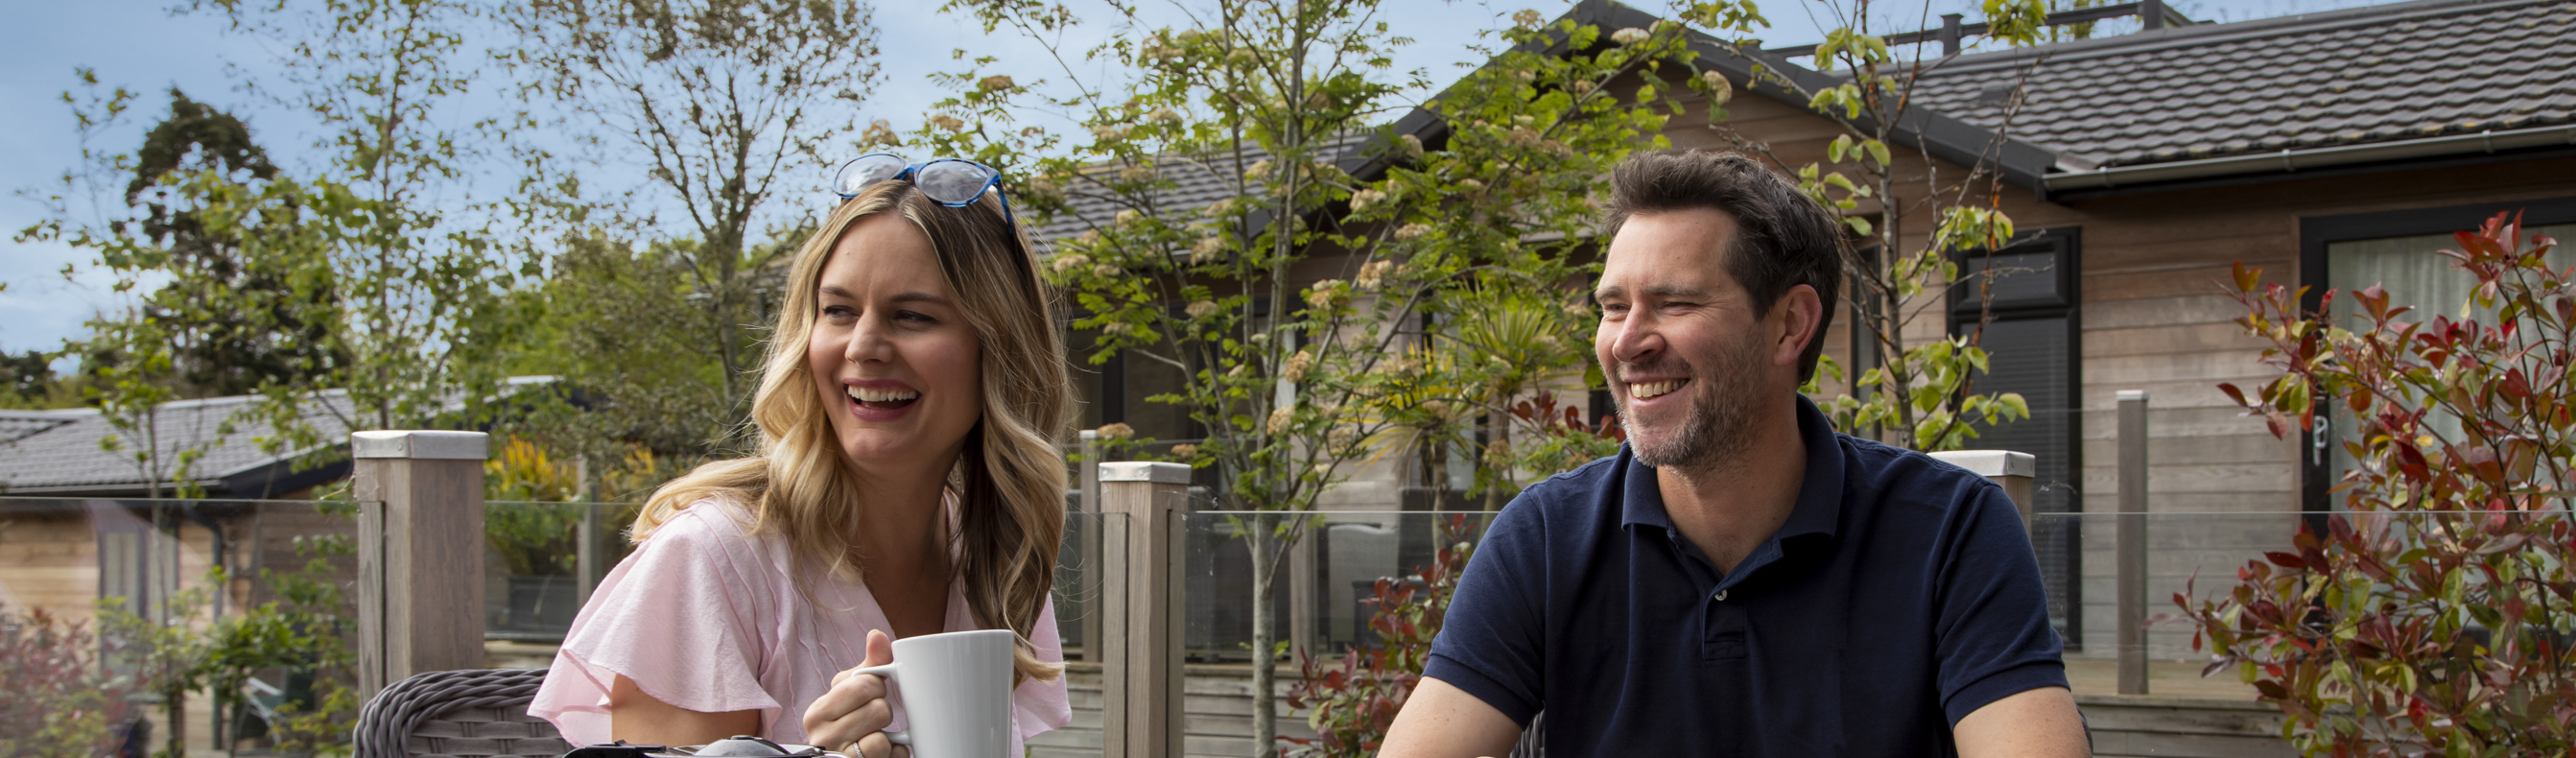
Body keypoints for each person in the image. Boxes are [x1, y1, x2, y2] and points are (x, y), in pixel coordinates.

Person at [1378, 150, 2091, 757]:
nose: (1627, 341)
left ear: (1789, 324)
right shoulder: (1545, 536)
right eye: (1612, 306)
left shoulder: (1951, 528)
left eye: (1674, 303)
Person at [531, 154, 1075, 758]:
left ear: (998, 350)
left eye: (913, 316)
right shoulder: (711, 561)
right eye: (838, 310)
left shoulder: (993, 560)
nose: (863, 346)